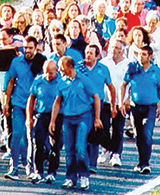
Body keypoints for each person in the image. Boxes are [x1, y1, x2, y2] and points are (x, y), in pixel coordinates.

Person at [49, 56, 103, 190]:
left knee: (80, 147)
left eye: (62, 67)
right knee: (69, 149)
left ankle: (84, 175)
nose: (59, 70)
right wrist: (53, 121)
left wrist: (97, 118)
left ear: (70, 67)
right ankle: (70, 178)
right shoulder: (61, 82)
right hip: (68, 118)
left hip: (83, 117)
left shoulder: (83, 80)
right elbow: (57, 101)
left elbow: (96, 97)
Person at [3, 36, 46, 180]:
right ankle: (14, 167)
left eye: (30, 48)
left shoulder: (42, 61)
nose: (27, 51)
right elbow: (10, 82)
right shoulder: (16, 62)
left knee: (32, 138)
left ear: (35, 48)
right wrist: (6, 103)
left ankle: (31, 167)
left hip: (36, 106)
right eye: (25, 48)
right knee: (16, 135)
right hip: (19, 103)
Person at [119, 45, 160, 174]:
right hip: (135, 107)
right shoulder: (133, 68)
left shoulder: (155, 70)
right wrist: (121, 102)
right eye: (139, 54)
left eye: (144, 54)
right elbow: (123, 85)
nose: (141, 56)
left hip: (150, 107)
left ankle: (146, 163)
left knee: (147, 133)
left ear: (150, 56)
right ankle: (141, 162)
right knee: (138, 135)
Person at [76, 44, 116, 173]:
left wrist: (113, 105)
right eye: (86, 52)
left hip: (98, 105)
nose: (88, 55)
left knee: (95, 134)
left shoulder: (103, 69)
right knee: (83, 133)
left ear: (97, 56)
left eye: (91, 53)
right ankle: (83, 162)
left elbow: (111, 87)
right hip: (82, 105)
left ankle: (92, 164)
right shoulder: (79, 68)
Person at [26, 60, 63, 184]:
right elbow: (31, 99)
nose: (49, 75)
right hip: (41, 114)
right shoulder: (38, 81)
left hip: (58, 116)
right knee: (38, 142)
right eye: (46, 72)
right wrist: (29, 117)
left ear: (56, 71)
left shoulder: (61, 82)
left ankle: (52, 172)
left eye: (51, 73)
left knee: (56, 145)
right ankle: (38, 171)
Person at [100, 39, 130, 167]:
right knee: (104, 126)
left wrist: (127, 100)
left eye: (116, 47)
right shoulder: (103, 63)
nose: (113, 50)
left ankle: (116, 153)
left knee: (118, 128)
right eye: (111, 47)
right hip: (106, 100)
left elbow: (131, 83)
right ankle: (106, 148)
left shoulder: (129, 64)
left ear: (122, 50)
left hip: (121, 101)